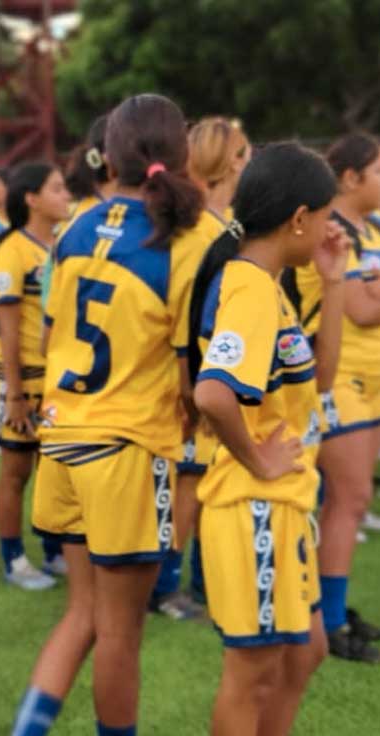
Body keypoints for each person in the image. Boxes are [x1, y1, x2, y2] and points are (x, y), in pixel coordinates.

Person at [0, 95, 207, 736]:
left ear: (105, 159)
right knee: (122, 627)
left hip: (66, 439)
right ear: (185, 155)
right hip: (127, 448)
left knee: (84, 612)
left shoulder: (72, 228)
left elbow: (55, 326)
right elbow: (188, 369)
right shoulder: (190, 237)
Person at [191, 142, 349, 736]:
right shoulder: (249, 289)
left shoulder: (274, 282)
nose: (329, 229)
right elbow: (215, 394)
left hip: (287, 507)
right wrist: (258, 462)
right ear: (297, 217)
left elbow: (316, 379)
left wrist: (336, 283)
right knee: (250, 672)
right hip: (252, 506)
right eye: (324, 218)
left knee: (307, 648)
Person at [289, 133, 380, 664]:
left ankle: (334, 607)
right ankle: (331, 621)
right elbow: (362, 312)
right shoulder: (330, 232)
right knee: (348, 498)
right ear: (350, 178)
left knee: (354, 500)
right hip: (338, 378)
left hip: (378, 377)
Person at [157, 115, 251, 621]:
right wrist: (187, 384)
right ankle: (168, 586)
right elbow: (180, 311)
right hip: (186, 372)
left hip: (212, 366)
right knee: (188, 481)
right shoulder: (197, 227)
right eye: (244, 152)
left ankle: (203, 579)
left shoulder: (225, 221)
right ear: (230, 160)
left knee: (207, 478)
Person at [0, 161, 69, 590]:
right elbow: (7, 333)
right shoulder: (11, 252)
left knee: (54, 472)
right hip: (20, 381)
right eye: (55, 187)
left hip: (54, 381)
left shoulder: (61, 245)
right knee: (16, 472)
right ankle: (14, 558)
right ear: (31, 199)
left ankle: (52, 550)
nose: (65, 194)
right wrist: (14, 393)